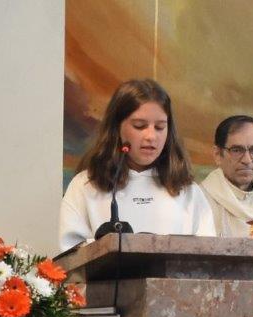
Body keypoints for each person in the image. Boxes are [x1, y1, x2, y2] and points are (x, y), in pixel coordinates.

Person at [59, 78, 215, 251]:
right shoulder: (85, 185)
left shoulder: (188, 191)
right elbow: (69, 252)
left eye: (160, 127)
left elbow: (208, 254)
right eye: (140, 126)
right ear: (116, 128)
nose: (151, 136)